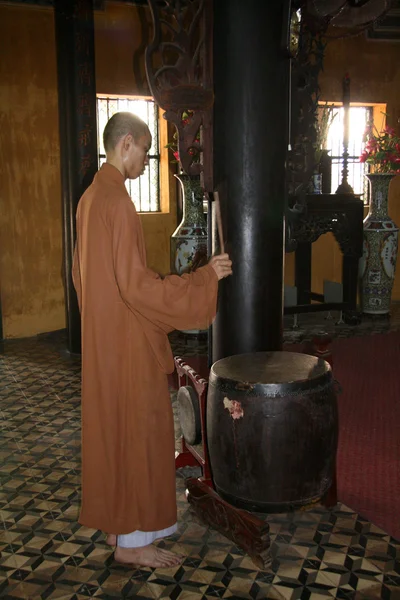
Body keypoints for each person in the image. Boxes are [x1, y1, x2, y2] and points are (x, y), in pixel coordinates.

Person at [72, 112, 232, 569]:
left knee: (116, 434)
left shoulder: (90, 198)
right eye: (145, 149)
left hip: (106, 339)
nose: (147, 158)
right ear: (126, 143)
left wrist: (99, 327)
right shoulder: (117, 201)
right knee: (141, 434)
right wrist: (201, 281)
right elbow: (136, 287)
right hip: (127, 342)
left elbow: (82, 277)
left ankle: (122, 532)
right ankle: (134, 543)